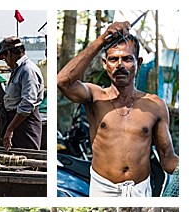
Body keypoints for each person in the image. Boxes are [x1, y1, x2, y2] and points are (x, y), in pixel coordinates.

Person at [57, 20, 179, 196]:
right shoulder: (95, 96)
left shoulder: (155, 105)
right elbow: (63, 81)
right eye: (114, 59)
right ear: (105, 63)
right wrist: (102, 39)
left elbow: (167, 159)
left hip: (140, 191)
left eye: (127, 59)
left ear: (138, 62)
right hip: (103, 189)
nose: (120, 65)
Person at [0, 35, 44, 150]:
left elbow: (27, 104)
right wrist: (0, 118)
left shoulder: (28, 70)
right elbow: (11, 98)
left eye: (5, 58)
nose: (6, 61)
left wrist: (10, 129)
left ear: (10, 53)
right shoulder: (17, 69)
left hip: (25, 123)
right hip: (14, 119)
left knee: (27, 157)